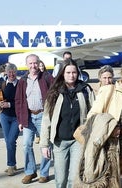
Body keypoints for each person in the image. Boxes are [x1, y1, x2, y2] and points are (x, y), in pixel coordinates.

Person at [40, 59, 95, 188]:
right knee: (60, 180)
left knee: (74, 179)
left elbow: (94, 113)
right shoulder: (54, 92)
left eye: (74, 72)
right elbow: (46, 119)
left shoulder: (85, 90)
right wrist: (44, 144)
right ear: (62, 74)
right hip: (60, 142)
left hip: (78, 141)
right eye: (68, 72)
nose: (71, 75)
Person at [76, 68, 122, 187]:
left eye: (109, 77)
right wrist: (110, 129)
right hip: (112, 143)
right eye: (104, 77)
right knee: (109, 179)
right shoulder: (109, 90)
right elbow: (93, 116)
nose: (107, 80)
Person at [15, 54, 54, 184]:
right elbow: (19, 101)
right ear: (27, 65)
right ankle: (30, 172)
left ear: (39, 63)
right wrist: (20, 120)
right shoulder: (23, 81)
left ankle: (44, 173)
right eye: (30, 63)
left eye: (35, 63)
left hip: (44, 116)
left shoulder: (47, 78)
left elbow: (55, 94)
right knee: (26, 145)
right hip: (28, 117)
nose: (33, 66)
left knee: (46, 145)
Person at [0, 63, 20, 176]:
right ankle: (13, 163)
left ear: (16, 73)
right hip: (4, 116)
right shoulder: (2, 84)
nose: (11, 74)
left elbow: (22, 102)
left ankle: (10, 165)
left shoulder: (20, 85)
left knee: (11, 140)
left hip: (16, 117)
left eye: (13, 72)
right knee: (8, 141)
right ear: (6, 73)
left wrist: (9, 104)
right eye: (9, 72)